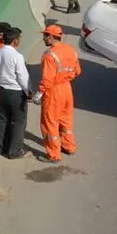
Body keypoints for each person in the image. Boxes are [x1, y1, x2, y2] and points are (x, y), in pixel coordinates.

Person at [32, 24, 82, 163]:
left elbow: (47, 79)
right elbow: (77, 71)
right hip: (67, 89)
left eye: (45, 35)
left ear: (51, 37)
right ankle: (69, 146)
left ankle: (53, 154)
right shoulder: (71, 50)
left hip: (53, 92)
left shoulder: (49, 55)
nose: (43, 39)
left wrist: (39, 93)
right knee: (66, 119)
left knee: (50, 122)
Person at [0, 27, 33, 159]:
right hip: (16, 92)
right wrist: (28, 92)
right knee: (19, 121)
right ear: (15, 41)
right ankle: (15, 151)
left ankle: (1, 147)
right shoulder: (17, 57)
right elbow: (22, 76)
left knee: (3, 118)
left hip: (2, 90)